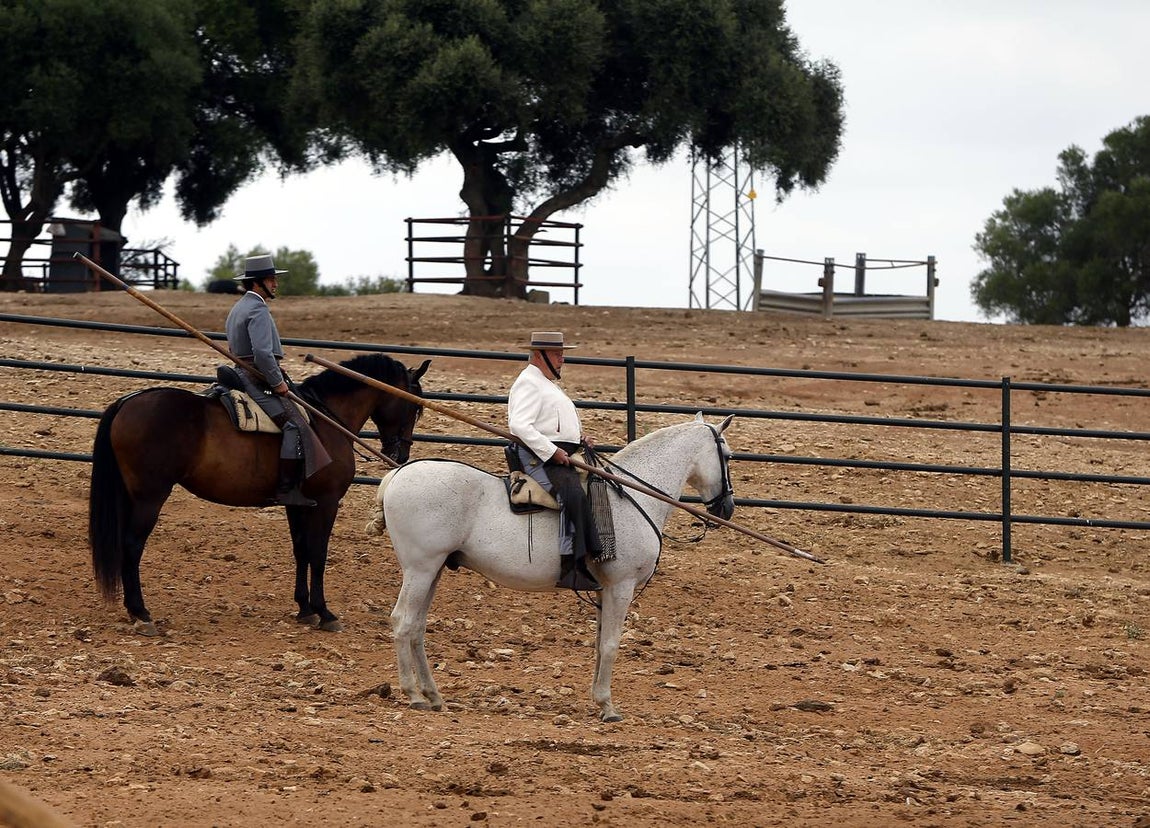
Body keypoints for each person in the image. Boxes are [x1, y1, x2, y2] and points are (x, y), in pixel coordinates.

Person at [225, 253, 328, 506]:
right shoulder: (257, 308)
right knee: (295, 424)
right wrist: (277, 382)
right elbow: (262, 353)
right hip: (256, 376)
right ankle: (286, 489)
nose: (275, 284)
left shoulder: (238, 307)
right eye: (271, 279)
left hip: (241, 371)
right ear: (257, 283)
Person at [508, 331, 603, 591]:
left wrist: (579, 437)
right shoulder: (529, 382)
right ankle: (571, 567)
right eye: (557, 354)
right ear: (539, 356)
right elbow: (520, 425)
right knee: (571, 493)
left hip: (558, 454)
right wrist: (552, 452)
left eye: (562, 354)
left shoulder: (546, 383)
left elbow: (552, 423)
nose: (562, 359)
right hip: (537, 458)